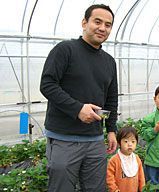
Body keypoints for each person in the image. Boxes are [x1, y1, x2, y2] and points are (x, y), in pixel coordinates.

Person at [40, 4, 118, 192]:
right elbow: (47, 85)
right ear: (85, 23)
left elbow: (111, 98)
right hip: (63, 138)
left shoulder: (109, 61)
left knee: (95, 189)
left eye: (108, 25)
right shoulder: (65, 50)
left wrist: (111, 130)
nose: (102, 28)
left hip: (95, 139)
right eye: (97, 22)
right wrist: (77, 109)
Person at [106, 126, 145, 192]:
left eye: (133, 142)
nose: (130, 144)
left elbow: (141, 177)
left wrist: (143, 189)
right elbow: (109, 177)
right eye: (126, 141)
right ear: (119, 143)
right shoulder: (114, 160)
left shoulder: (136, 159)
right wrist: (114, 189)